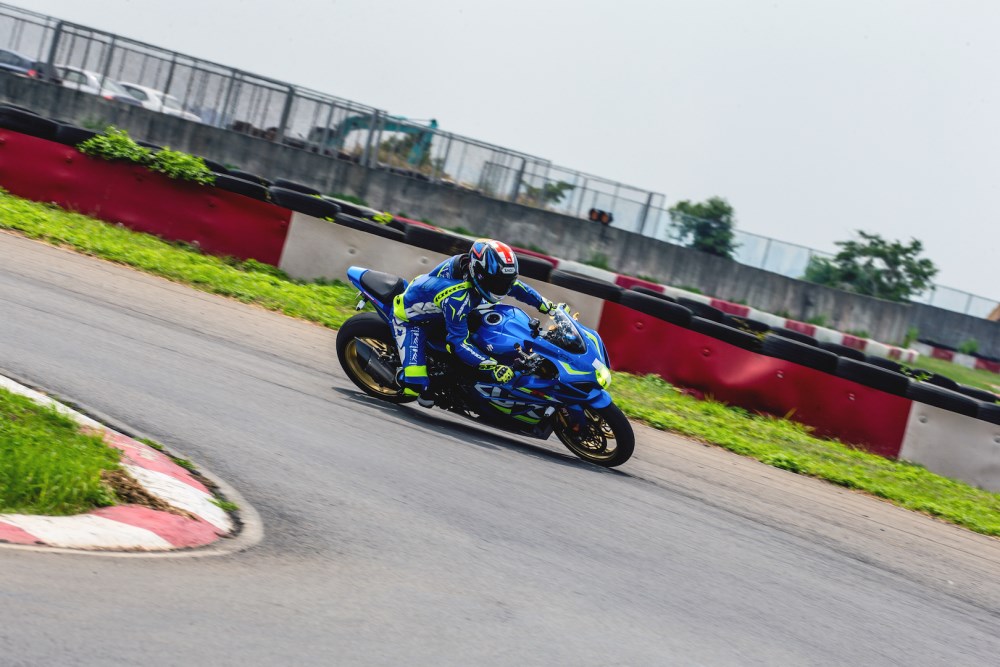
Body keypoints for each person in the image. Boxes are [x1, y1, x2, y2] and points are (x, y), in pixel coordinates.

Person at [391, 238, 555, 407]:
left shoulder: (481, 273)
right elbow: (458, 342)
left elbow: (516, 287)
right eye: (498, 283)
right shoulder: (458, 296)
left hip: (440, 310)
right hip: (412, 320)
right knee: (415, 386)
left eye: (505, 282)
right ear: (479, 273)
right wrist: (493, 367)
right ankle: (410, 378)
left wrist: (548, 306)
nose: (502, 288)